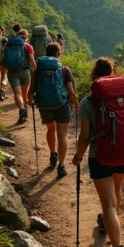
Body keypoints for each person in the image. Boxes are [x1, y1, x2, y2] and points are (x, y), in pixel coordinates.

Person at [72, 58, 124, 247]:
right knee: (116, 191)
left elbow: (85, 137)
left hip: (100, 157)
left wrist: (77, 157)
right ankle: (106, 224)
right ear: (114, 73)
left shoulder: (88, 102)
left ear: (94, 76)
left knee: (109, 204)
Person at [28, 43, 79, 177]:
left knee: (51, 129)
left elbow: (31, 89)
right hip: (62, 105)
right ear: (58, 54)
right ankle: (61, 165)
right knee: (62, 135)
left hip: (45, 105)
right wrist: (77, 106)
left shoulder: (38, 69)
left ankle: (53, 154)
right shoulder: (64, 69)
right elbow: (71, 92)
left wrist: (30, 101)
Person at [4, 29, 37, 124]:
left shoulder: (8, 45)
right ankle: (24, 115)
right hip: (25, 72)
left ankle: (22, 110)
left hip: (12, 72)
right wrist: (36, 72)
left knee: (17, 94)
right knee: (24, 94)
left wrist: (4, 74)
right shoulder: (28, 47)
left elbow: (6, 59)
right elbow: (32, 62)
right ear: (26, 37)